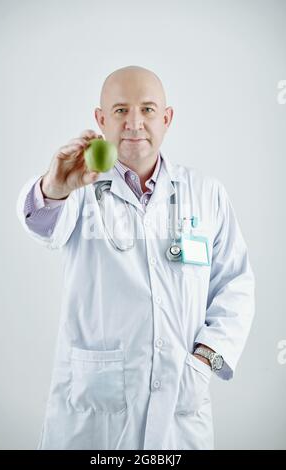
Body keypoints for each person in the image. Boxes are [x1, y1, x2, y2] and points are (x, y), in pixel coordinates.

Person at [16, 65, 255, 450]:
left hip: (181, 404)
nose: (134, 123)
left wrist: (206, 358)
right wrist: (55, 186)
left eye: (147, 109)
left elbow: (236, 284)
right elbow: (42, 225)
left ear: (167, 118)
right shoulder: (81, 185)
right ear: (100, 119)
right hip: (93, 412)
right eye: (120, 110)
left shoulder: (206, 193)